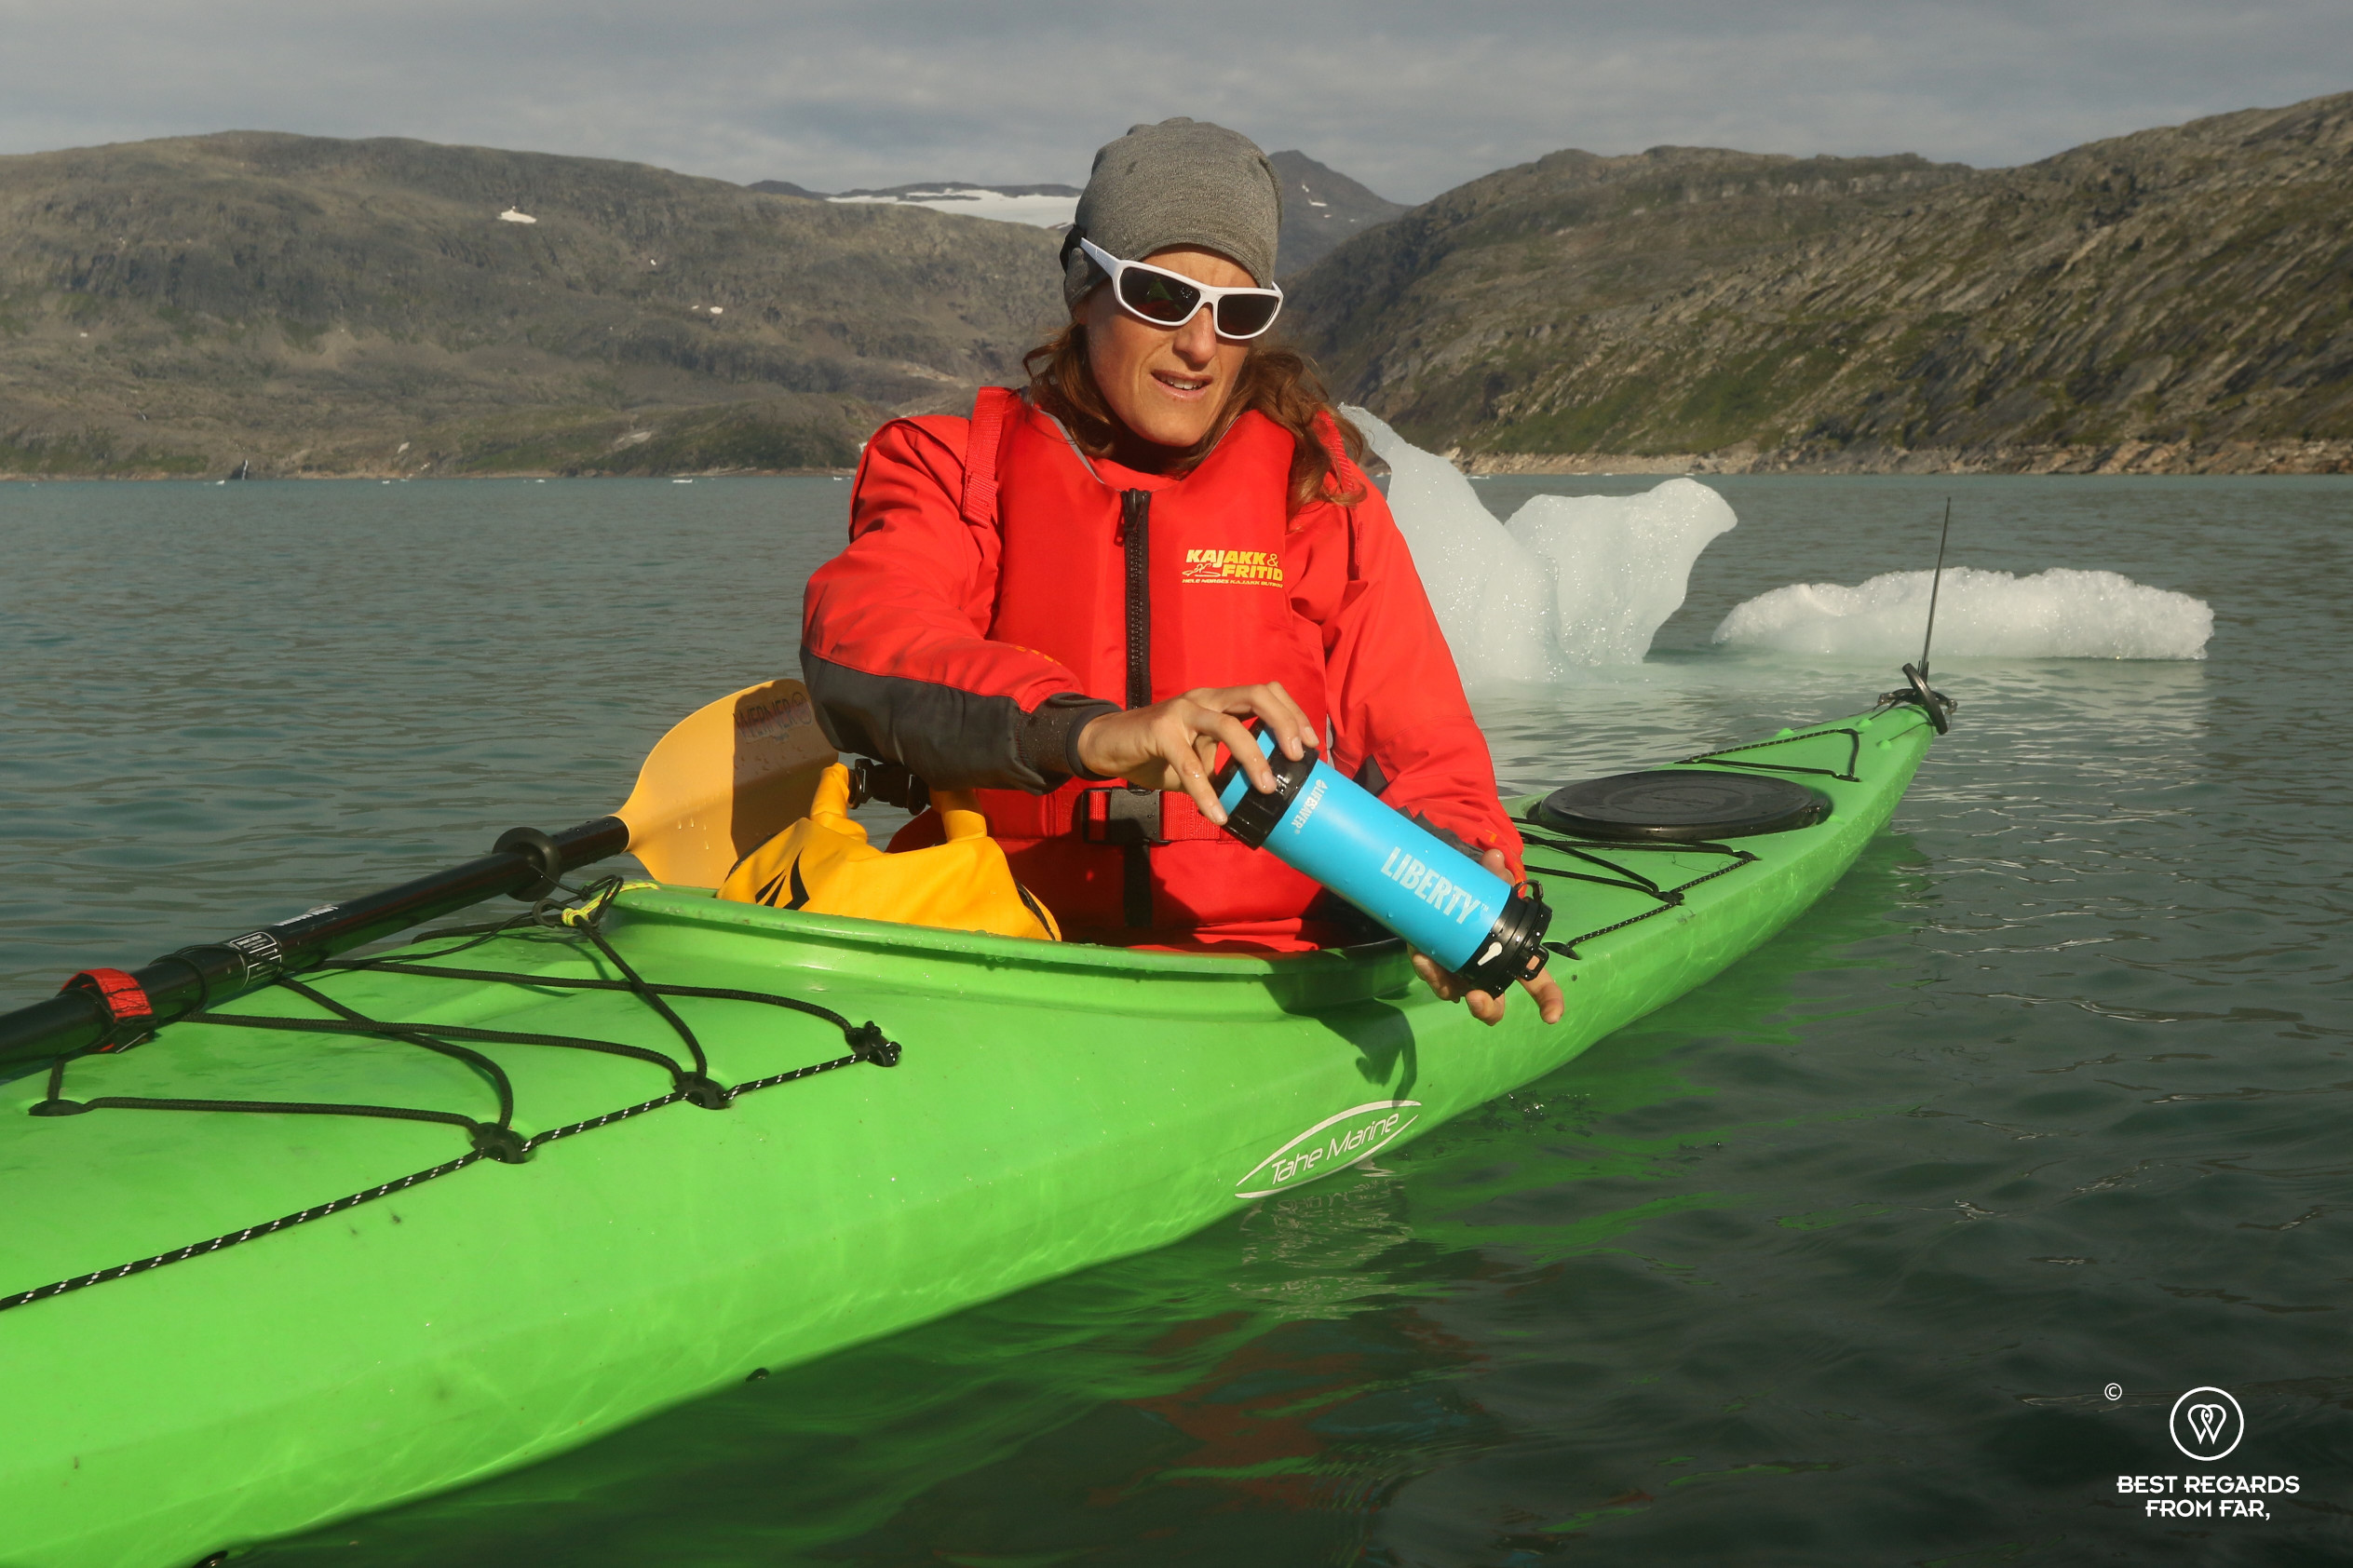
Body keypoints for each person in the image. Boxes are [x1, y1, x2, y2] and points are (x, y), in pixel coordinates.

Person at [802, 117, 1562, 1025]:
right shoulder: (950, 468)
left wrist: (1457, 873)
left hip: (1267, 971)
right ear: (1087, 289)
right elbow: (868, 645)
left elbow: (1421, 743)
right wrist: (1089, 733)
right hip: (996, 945)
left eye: (1238, 314)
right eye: (1163, 297)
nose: (1201, 345)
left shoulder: (1316, 494)